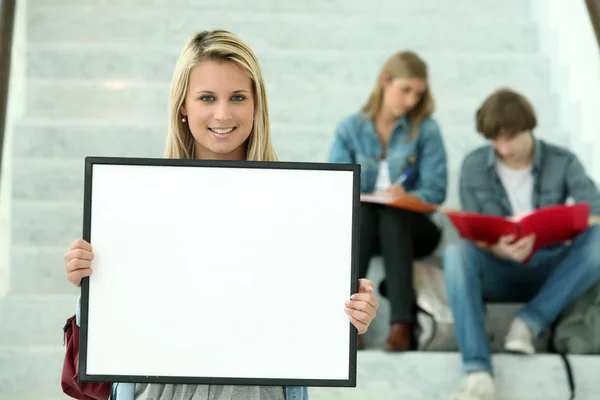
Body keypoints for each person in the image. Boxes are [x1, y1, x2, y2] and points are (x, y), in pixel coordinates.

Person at [63, 29, 379, 400]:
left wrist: (353, 314)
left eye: (238, 97)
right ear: (183, 104)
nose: (223, 114)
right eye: (207, 98)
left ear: (256, 104)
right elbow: (116, 328)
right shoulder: (138, 200)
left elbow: (305, 321)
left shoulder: (300, 204)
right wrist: (89, 283)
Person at [443, 88, 600, 400]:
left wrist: (559, 229)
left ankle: (530, 322)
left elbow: (596, 212)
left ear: (529, 127)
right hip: (498, 270)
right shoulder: (474, 166)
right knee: (457, 254)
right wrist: (498, 248)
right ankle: (477, 372)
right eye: (495, 140)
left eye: (510, 137)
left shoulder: (562, 161)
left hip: (551, 270)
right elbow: (472, 233)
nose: (503, 148)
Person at [327, 50, 447, 351]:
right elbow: (336, 188)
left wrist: (407, 198)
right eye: (405, 90)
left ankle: (401, 325)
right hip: (366, 228)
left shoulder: (426, 130)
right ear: (385, 80)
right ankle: (352, 324)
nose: (411, 101)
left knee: (393, 216)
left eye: (418, 94)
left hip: (412, 227)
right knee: (365, 214)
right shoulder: (349, 129)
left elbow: (435, 191)